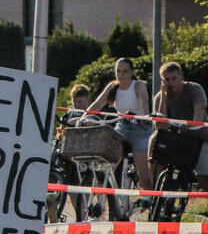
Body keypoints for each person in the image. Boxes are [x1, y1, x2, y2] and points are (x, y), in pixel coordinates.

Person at [87, 58, 154, 190]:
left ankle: (150, 202)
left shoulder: (138, 85)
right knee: (109, 160)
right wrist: (83, 117)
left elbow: (144, 102)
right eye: (118, 71)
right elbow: (97, 104)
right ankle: (105, 191)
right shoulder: (113, 87)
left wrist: (144, 117)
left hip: (140, 129)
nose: (121, 75)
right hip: (122, 127)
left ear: (131, 73)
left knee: (145, 178)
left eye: (125, 71)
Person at [152, 60, 208, 188]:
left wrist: (192, 126)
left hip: (200, 136)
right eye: (167, 79)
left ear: (181, 77)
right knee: (153, 141)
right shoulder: (159, 98)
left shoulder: (195, 89)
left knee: (203, 177)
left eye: (174, 78)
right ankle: (153, 191)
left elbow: (199, 112)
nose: (171, 82)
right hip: (175, 137)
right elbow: (160, 126)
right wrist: (163, 99)